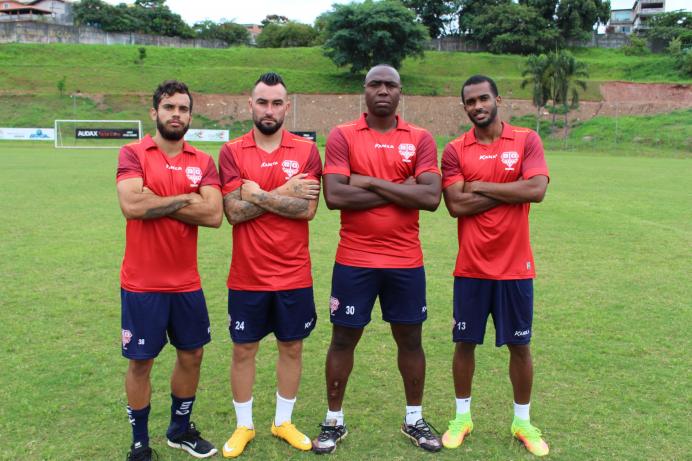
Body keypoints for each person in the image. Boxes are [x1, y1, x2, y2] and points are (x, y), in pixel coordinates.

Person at [312, 64, 442, 454]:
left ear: (401, 92)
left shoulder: (419, 138)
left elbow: (431, 198)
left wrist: (366, 180)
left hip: (405, 261)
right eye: (375, 84)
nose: (383, 90)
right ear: (364, 90)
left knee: (411, 339)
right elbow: (335, 196)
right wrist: (401, 188)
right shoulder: (342, 136)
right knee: (343, 339)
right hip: (354, 259)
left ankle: (414, 419)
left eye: (390, 84)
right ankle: (334, 421)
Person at [440, 75, 550, 457]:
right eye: (470, 101)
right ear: (464, 106)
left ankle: (522, 421)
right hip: (470, 267)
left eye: (483, 98)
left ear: (497, 99)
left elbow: (536, 190)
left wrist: (480, 186)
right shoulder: (455, 149)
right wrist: (509, 186)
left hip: (516, 268)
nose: (477, 106)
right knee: (464, 343)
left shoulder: (526, 140)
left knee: (520, 346)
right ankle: (462, 418)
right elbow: (455, 205)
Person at [116, 80, 222, 461]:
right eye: (169, 107)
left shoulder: (203, 161)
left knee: (192, 355)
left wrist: (155, 199)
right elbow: (132, 205)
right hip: (142, 283)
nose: (176, 114)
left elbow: (213, 215)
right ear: (154, 113)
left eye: (183, 109)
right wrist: (185, 197)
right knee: (141, 361)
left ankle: (180, 430)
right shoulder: (132, 152)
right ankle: (140, 443)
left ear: (190, 115)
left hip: (186, 283)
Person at [218, 72, 322, 458]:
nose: (269, 109)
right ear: (251, 105)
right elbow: (233, 212)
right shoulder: (231, 152)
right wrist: (283, 192)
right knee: (243, 350)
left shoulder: (307, 151)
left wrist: (258, 193)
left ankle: (283, 421)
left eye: (277, 103)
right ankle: (244, 425)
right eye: (262, 102)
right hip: (247, 275)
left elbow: (307, 209)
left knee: (291, 347)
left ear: (287, 107)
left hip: (294, 273)